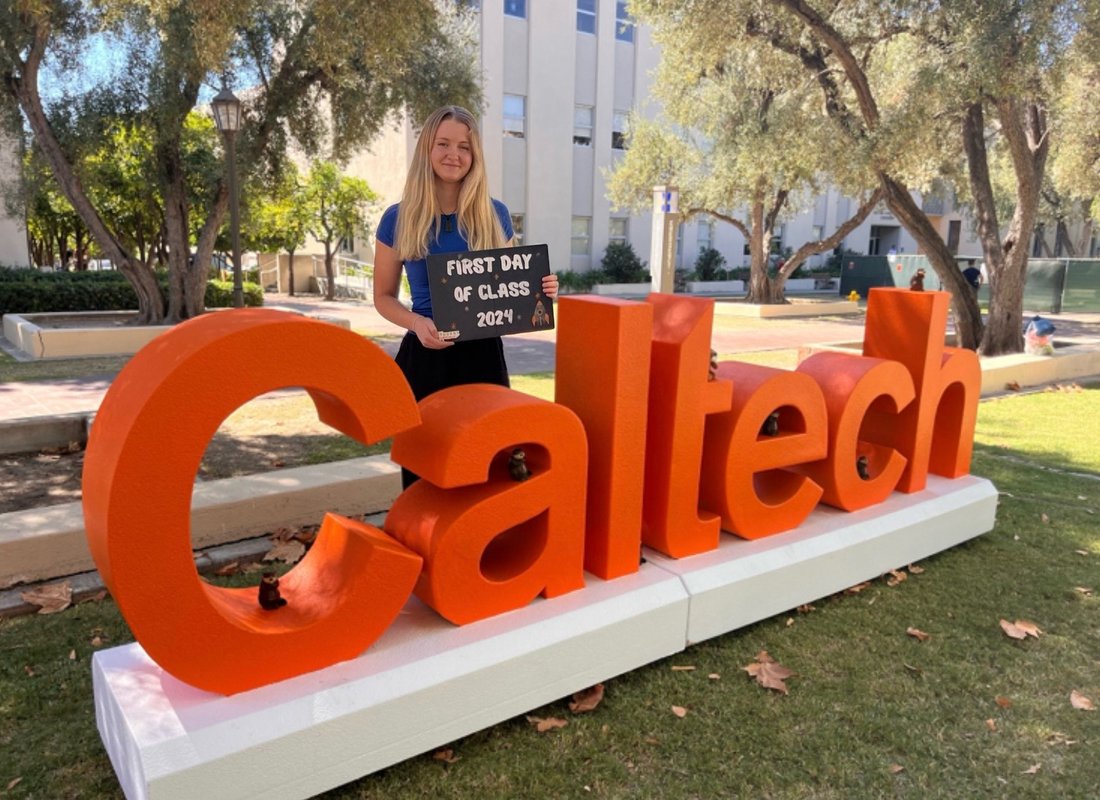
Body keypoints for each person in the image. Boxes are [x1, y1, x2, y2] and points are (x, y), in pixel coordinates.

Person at [373, 105, 558, 487]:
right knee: (423, 472)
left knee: (488, 468)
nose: (453, 154)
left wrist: (540, 291)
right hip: (426, 354)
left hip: (482, 356)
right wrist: (417, 323)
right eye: (443, 144)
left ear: (475, 156)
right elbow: (383, 296)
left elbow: (512, 291)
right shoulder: (398, 218)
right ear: (427, 148)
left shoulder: (495, 215)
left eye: (464, 147)